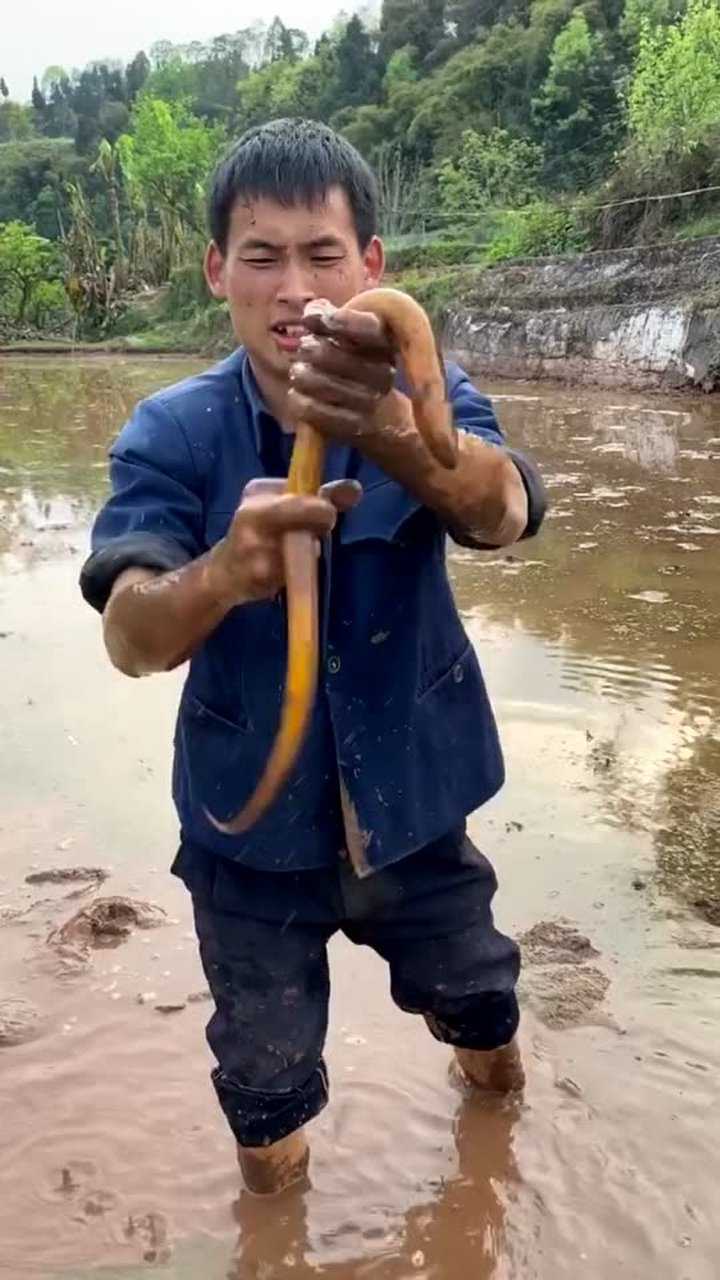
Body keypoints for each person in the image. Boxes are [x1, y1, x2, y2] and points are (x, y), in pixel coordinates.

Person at [79, 119, 546, 1199]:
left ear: (370, 267)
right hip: (250, 838)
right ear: (216, 272)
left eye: (323, 254)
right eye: (262, 255)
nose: (295, 288)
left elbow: (506, 512)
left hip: (417, 809)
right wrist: (224, 573)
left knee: (481, 1001)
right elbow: (129, 637)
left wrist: (389, 426)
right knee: (264, 1084)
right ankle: (275, 1236)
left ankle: (504, 1157)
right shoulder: (173, 430)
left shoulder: (429, 384)